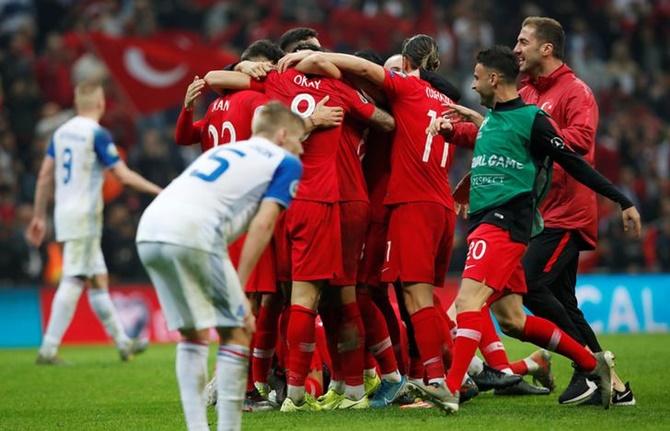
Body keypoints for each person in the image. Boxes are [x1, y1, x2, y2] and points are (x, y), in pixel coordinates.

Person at [427, 45, 641, 412]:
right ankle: (593, 364)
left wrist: (622, 199)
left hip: (504, 222)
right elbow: (487, 149)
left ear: (494, 78)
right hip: (488, 220)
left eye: (477, 78)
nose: (474, 86)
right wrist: (448, 130)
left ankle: (449, 388)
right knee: (513, 320)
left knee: (468, 303)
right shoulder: (494, 117)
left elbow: (573, 163)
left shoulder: (533, 120)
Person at [277, 34, 471, 412]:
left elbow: (365, 74)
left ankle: (417, 378)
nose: (389, 78)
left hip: (392, 206)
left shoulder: (401, 94)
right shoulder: (442, 103)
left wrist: (312, 59)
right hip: (429, 205)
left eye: (396, 71)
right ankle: (411, 376)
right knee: (397, 295)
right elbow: (479, 136)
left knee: (389, 294)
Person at [136, 102, 305, 431]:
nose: (301, 147)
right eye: (299, 139)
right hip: (193, 231)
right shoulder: (286, 161)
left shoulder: (229, 150)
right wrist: (239, 288)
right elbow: (263, 225)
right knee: (238, 328)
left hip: (150, 229)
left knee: (193, 334)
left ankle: (197, 427)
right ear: (283, 135)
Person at [514, 16, 636, 405]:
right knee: (564, 302)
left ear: (545, 49)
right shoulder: (528, 93)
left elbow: (581, 141)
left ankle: (585, 365)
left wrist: (536, 137)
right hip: (542, 211)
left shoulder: (575, 92)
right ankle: (612, 385)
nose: (516, 49)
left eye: (523, 42)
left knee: (530, 284)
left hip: (567, 212)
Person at [27, 82, 162, 365]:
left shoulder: (61, 133)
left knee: (98, 279)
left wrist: (39, 216)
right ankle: (48, 349)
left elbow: (44, 176)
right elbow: (123, 176)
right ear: (100, 104)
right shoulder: (97, 134)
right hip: (85, 215)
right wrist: (160, 191)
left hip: (64, 214)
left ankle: (124, 344)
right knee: (75, 277)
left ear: (78, 104)